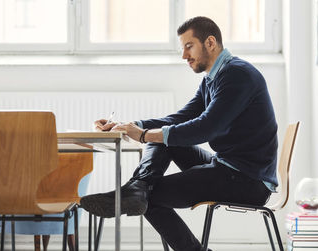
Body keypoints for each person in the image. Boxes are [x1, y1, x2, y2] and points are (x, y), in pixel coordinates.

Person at [80, 16, 278, 251]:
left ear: (210, 43)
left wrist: (143, 135)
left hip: (248, 180)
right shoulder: (213, 79)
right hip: (229, 166)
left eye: (188, 46)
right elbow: (179, 119)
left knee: (150, 197)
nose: (184, 55)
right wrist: (129, 125)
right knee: (163, 138)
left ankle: (138, 191)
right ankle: (137, 188)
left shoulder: (237, 75)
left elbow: (205, 128)